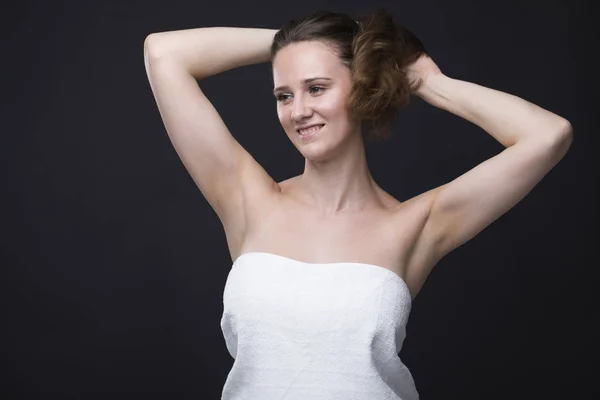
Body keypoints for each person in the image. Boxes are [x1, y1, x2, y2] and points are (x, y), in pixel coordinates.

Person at [143, 8, 572, 399]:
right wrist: (296, 44)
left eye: (316, 87)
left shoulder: (414, 224)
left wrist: (429, 83)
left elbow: (547, 135)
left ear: (363, 86)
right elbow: (163, 54)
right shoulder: (248, 200)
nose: (298, 111)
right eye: (283, 95)